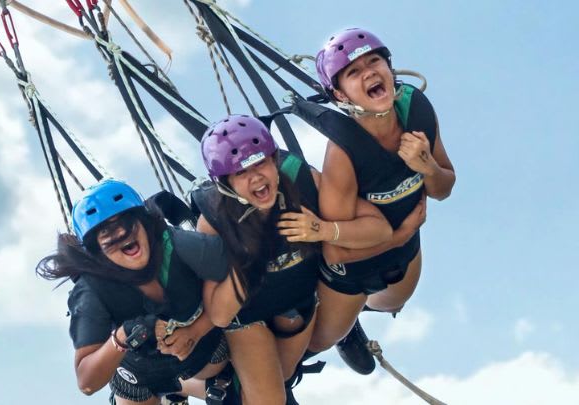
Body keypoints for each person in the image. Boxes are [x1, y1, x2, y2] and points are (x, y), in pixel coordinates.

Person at [192, 115, 393, 404]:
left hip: (296, 300)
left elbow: (380, 229)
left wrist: (325, 229)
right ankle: (194, 385)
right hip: (246, 314)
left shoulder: (300, 181)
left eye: (261, 163)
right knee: (269, 400)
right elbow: (220, 314)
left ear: (274, 160)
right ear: (225, 184)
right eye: (241, 173)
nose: (256, 177)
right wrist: (249, 258)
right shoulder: (214, 220)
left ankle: (252, 381)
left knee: (286, 373)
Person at [307, 27, 456, 374]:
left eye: (374, 61)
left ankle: (355, 316)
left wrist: (427, 167)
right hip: (352, 265)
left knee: (397, 299)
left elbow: (443, 188)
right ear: (341, 95)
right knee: (318, 341)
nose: (370, 72)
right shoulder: (342, 154)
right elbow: (335, 250)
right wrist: (399, 235)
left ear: (390, 69)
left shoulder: (416, 110)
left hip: (403, 249)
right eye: (354, 72)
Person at [36, 179, 230, 405]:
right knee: (132, 383)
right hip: (138, 377)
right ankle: (178, 389)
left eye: (127, 222)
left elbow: (240, 276)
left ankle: (182, 389)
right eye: (106, 232)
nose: (121, 233)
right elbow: (86, 381)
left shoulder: (176, 244)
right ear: (97, 251)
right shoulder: (91, 290)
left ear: (146, 223)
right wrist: (124, 336)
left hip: (207, 356)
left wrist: (197, 330)